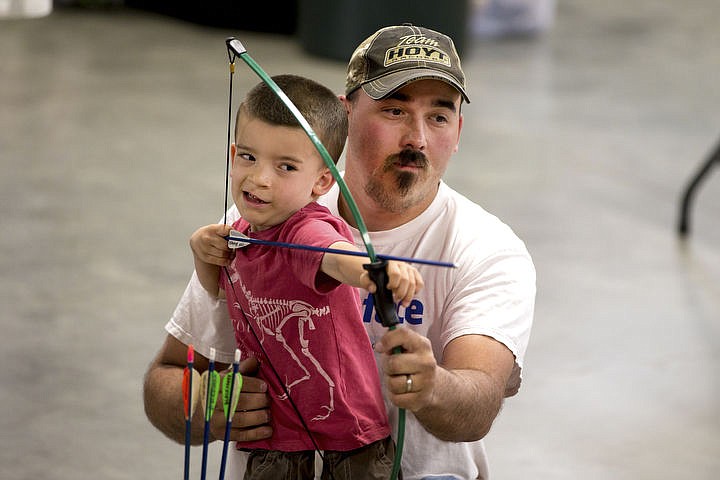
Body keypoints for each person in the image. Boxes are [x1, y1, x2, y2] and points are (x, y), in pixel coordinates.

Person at [144, 24, 535, 480]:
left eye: (439, 117)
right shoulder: (260, 220)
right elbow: (165, 380)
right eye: (394, 110)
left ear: (458, 130)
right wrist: (205, 402)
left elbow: (480, 401)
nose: (418, 138)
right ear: (345, 117)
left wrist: (432, 386)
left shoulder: (488, 248)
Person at [189, 74, 422, 479]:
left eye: (286, 167)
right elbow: (221, 299)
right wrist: (202, 253)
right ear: (232, 153)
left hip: (350, 431)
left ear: (321, 182)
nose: (259, 178)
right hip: (274, 429)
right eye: (247, 157)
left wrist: (371, 270)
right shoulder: (239, 235)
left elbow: (332, 255)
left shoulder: (303, 229)